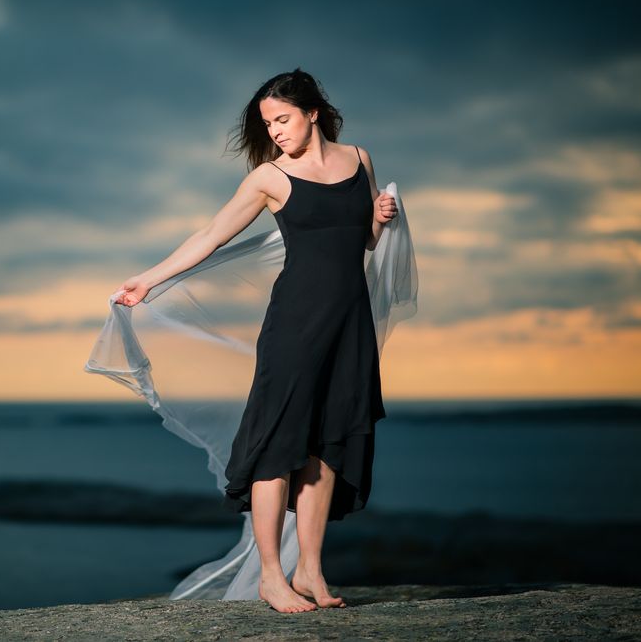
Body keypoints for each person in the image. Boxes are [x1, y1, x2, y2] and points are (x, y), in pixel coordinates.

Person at [97, 68, 409, 613]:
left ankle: (309, 570)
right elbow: (211, 235)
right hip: (294, 327)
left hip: (349, 323)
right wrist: (148, 278)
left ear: (313, 112)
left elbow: (361, 242)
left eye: (282, 119)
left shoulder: (360, 159)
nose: (275, 132)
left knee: (329, 444)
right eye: (268, 125)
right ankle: (271, 576)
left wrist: (380, 219)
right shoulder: (269, 178)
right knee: (276, 444)